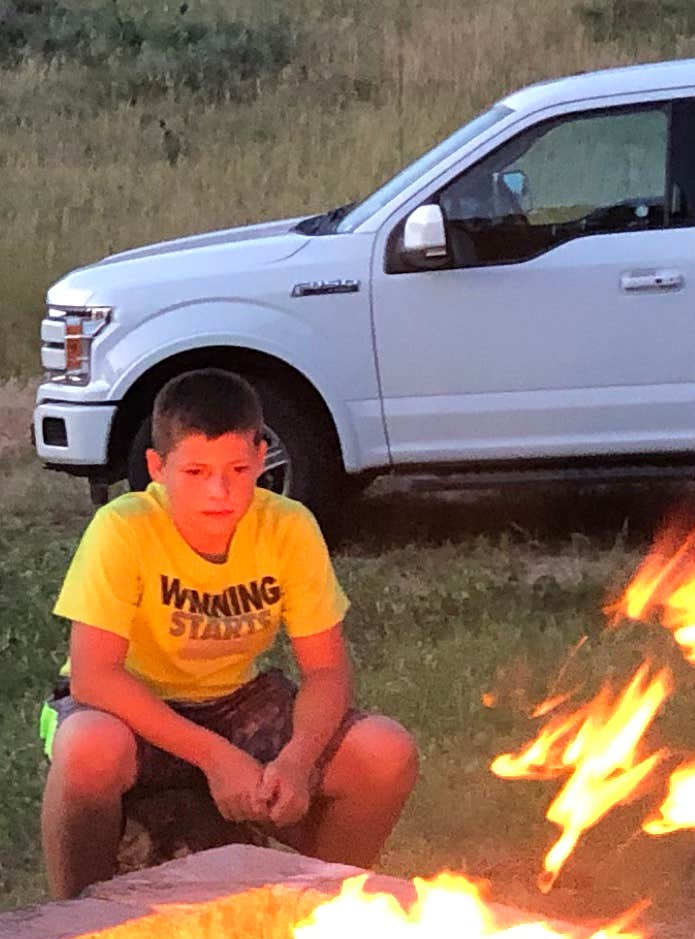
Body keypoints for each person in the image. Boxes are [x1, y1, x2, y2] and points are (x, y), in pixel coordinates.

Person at [40, 369, 418, 896]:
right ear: (157, 467)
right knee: (89, 748)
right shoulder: (124, 528)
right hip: (133, 700)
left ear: (261, 458)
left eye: (237, 469)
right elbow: (93, 678)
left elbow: (326, 670)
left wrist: (297, 759)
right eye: (195, 471)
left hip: (238, 700)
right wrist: (217, 758)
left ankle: (320, 907)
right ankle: (73, 922)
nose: (219, 491)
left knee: (384, 751)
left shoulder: (288, 527)